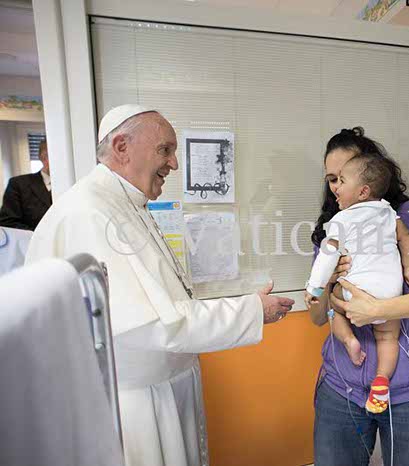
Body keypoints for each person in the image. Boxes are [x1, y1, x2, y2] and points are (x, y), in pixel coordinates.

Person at [25, 104, 294, 466]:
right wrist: (252, 310)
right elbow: (155, 323)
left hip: (159, 389)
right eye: (165, 150)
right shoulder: (90, 214)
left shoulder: (124, 204)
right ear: (121, 147)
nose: (175, 164)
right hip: (134, 406)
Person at [309, 127, 409, 466]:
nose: (336, 186)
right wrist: (329, 283)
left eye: (344, 175)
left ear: (368, 175)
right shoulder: (335, 227)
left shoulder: (407, 217)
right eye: (332, 179)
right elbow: (318, 317)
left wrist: (380, 309)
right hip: (340, 392)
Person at [304, 152, 409, 414]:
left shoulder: (340, 220)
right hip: (390, 293)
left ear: (362, 191)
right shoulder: (389, 213)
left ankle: (349, 341)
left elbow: (327, 255)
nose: (335, 188)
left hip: (355, 292)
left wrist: (315, 287)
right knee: (388, 336)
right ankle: (381, 380)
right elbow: (406, 238)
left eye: (342, 181)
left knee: (335, 307)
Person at [0, 140, 52, 230]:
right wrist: (38, 234)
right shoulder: (18, 185)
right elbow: (8, 222)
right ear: (43, 158)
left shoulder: (72, 185)